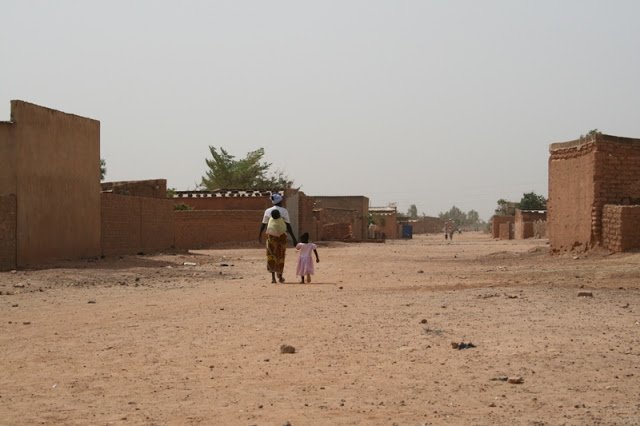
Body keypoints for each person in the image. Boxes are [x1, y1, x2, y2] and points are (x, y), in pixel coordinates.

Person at [258, 193, 297, 283]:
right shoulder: (284, 211)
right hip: (281, 237)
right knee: (280, 255)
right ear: (280, 201)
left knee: (271, 255)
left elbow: (263, 224)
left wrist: (259, 235)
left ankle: (273, 278)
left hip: (271, 237)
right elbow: (288, 226)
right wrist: (294, 238)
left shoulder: (268, 211)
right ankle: (280, 276)